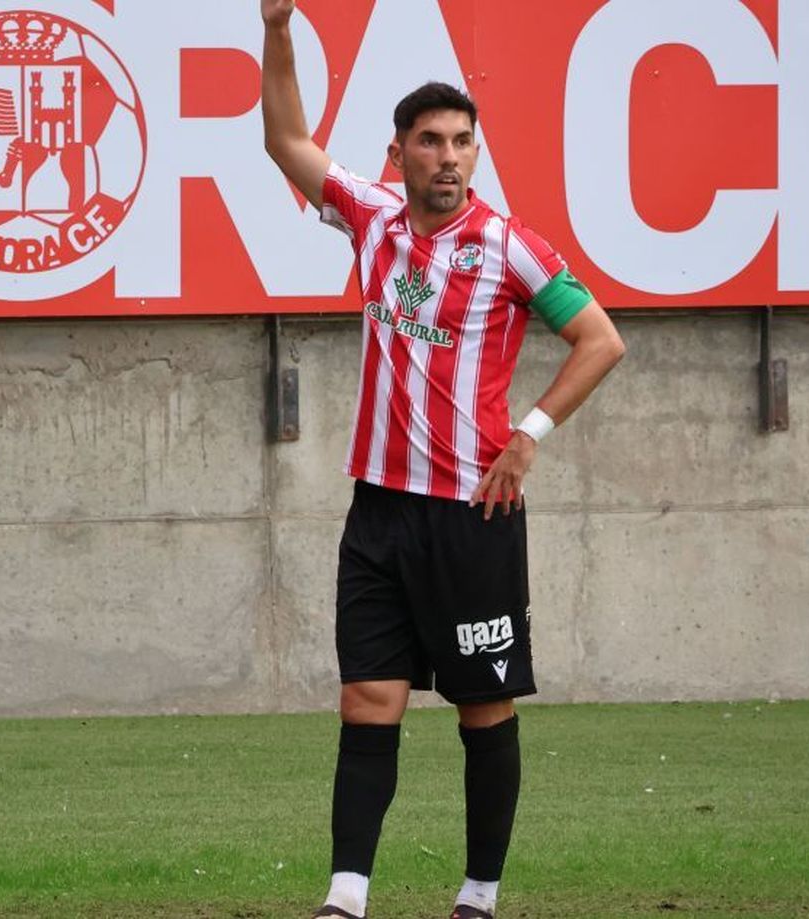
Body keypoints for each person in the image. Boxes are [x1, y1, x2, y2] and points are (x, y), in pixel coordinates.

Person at [259, 2, 627, 918]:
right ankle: (346, 896)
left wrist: (528, 435)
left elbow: (599, 340)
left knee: (483, 708)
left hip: (473, 517)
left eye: (464, 141)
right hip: (379, 510)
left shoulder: (510, 245)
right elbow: (286, 140)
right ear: (400, 155)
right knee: (367, 699)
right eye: (431, 141)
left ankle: (479, 893)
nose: (451, 157)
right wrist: (276, 31)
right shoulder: (373, 219)